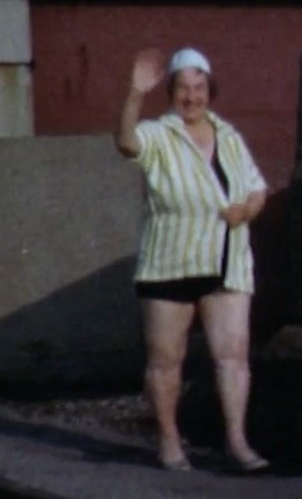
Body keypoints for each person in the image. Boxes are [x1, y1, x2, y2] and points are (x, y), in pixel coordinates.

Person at [115, 47, 271, 472]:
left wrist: (248, 210)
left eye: (199, 88)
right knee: (166, 359)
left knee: (233, 355)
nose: (191, 96)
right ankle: (168, 440)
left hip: (226, 260)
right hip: (171, 259)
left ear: (210, 90)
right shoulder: (159, 133)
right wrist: (134, 93)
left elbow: (257, 187)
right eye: (183, 88)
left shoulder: (230, 136)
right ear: (171, 92)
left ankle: (237, 441)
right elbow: (127, 144)